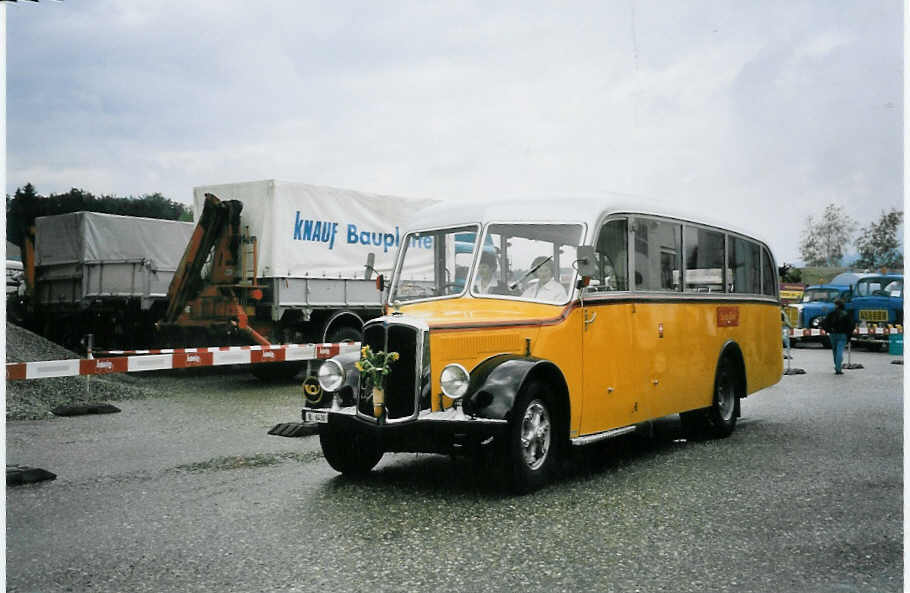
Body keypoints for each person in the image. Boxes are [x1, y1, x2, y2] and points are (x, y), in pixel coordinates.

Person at [821, 299, 856, 375]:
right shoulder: (846, 314)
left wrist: (828, 330)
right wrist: (849, 335)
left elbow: (824, 323)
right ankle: (838, 367)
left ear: (836, 305)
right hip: (843, 335)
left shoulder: (831, 314)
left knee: (835, 350)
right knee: (840, 351)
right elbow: (851, 325)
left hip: (833, 334)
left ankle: (837, 365)